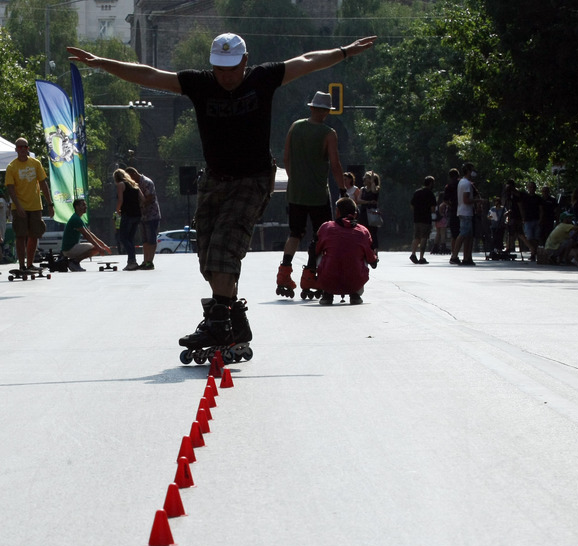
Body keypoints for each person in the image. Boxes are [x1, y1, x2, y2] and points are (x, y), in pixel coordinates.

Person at [68, 33, 377, 350]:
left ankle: (217, 323)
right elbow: (149, 74)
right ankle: (236, 322)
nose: (226, 77)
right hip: (215, 179)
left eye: (232, 69)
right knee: (207, 257)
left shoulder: (263, 78)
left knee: (223, 248)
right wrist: (101, 63)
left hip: (253, 179)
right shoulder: (200, 83)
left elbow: (307, 61)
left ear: (245, 60)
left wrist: (344, 52)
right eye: (219, 69)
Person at [276, 90, 344, 296]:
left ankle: (284, 273)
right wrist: (343, 190)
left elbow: (286, 157)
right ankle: (311, 274)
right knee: (320, 235)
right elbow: (335, 165)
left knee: (295, 233)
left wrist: (295, 179)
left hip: (295, 192)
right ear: (326, 112)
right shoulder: (329, 134)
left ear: (312, 108)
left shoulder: (295, 127)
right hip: (318, 194)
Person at [314, 197, 378, 305]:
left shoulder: (326, 227)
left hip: (328, 282)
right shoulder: (363, 231)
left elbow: (315, 251)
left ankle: (327, 294)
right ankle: (355, 294)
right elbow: (371, 260)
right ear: (355, 213)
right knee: (364, 255)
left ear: (337, 212)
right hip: (355, 283)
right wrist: (374, 259)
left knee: (320, 253)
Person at [5, 138, 54, 271]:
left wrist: (50, 204)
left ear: (28, 149)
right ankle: (21, 265)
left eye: (25, 147)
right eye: (19, 147)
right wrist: (18, 206)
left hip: (35, 206)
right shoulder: (11, 167)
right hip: (19, 206)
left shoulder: (35, 163)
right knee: (20, 235)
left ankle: (30, 263)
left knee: (34, 234)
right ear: (16, 150)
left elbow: (43, 184)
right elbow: (11, 188)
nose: (22, 149)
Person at [61, 198, 113, 271]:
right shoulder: (76, 219)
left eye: (85, 205)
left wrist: (103, 245)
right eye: (83, 205)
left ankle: (74, 262)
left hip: (71, 248)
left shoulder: (78, 218)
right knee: (95, 248)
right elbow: (87, 236)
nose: (86, 207)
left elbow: (90, 233)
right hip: (69, 249)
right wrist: (98, 247)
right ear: (77, 207)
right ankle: (74, 262)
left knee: (97, 247)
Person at [127, 166, 161, 270]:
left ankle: (150, 262)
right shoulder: (135, 184)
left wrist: (139, 205)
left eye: (129, 178)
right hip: (142, 216)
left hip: (152, 215)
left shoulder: (147, 182)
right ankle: (145, 261)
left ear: (133, 174)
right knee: (145, 240)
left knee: (151, 239)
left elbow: (150, 198)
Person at [115, 168, 145, 271]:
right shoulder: (134, 185)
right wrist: (138, 207)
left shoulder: (121, 185)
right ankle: (131, 261)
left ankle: (132, 261)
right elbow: (143, 199)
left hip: (127, 214)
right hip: (137, 215)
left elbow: (120, 199)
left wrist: (117, 210)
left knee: (123, 238)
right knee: (130, 238)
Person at [449, 163, 477, 265]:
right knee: (463, 233)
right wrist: (478, 201)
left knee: (469, 236)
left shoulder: (462, 182)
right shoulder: (466, 184)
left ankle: (467, 257)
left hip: (464, 211)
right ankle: (454, 256)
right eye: (472, 170)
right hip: (465, 212)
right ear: (468, 171)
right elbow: (466, 200)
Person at [409, 175, 438, 264]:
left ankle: (413, 254)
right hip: (426, 219)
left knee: (416, 237)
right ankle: (421, 257)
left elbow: (412, 205)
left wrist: (417, 211)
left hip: (417, 218)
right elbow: (433, 209)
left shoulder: (417, 192)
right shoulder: (430, 194)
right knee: (424, 237)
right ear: (430, 184)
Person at [359, 170, 382, 258]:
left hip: (372, 213)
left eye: (367, 178)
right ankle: (364, 249)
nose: (364, 179)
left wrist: (372, 181)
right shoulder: (362, 189)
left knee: (373, 232)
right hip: (364, 212)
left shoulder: (376, 188)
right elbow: (358, 200)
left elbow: (373, 191)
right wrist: (368, 201)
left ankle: (374, 251)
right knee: (363, 231)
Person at [518, 181, 543, 261]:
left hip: (536, 219)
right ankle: (532, 251)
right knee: (529, 237)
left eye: (533, 187)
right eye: (530, 187)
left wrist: (540, 219)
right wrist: (523, 217)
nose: (531, 188)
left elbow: (541, 209)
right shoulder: (525, 198)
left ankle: (534, 253)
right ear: (528, 188)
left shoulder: (538, 198)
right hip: (528, 220)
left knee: (536, 238)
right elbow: (521, 207)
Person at [443, 168, 460, 259]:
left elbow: (445, 200)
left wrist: (451, 206)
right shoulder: (461, 184)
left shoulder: (448, 186)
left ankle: (454, 254)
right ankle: (464, 254)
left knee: (454, 235)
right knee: (463, 234)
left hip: (453, 212)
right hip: (463, 210)